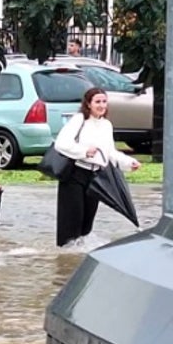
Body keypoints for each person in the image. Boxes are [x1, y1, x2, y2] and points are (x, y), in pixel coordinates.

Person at [53, 86, 140, 247]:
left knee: (87, 225)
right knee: (72, 221)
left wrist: (128, 162)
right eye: (97, 102)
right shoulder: (79, 120)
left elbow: (109, 152)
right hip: (74, 175)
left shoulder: (106, 125)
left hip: (95, 178)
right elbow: (61, 144)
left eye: (104, 102)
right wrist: (84, 151)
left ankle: (80, 256)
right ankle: (66, 256)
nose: (101, 105)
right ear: (88, 104)